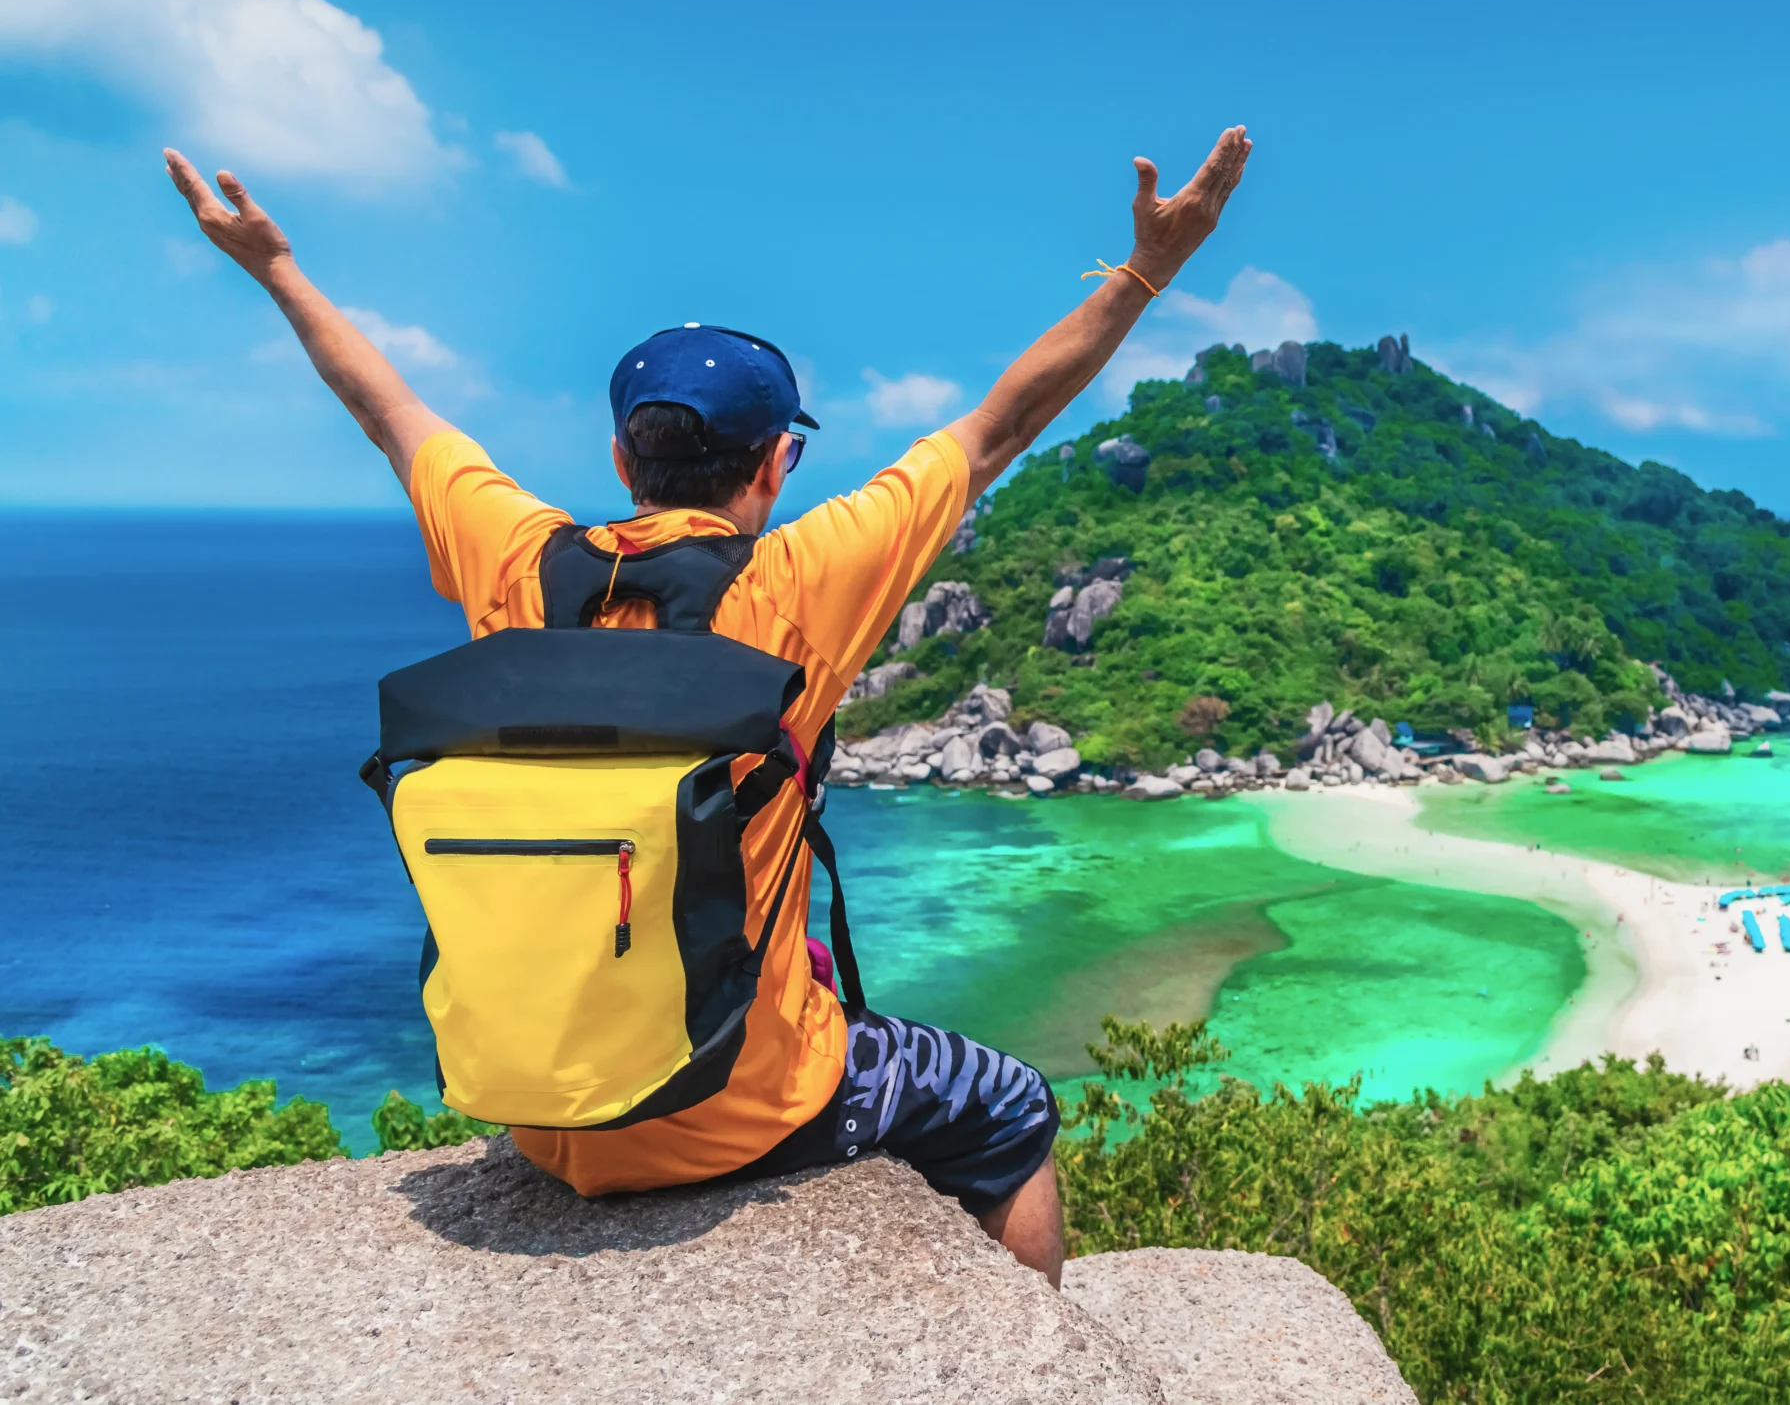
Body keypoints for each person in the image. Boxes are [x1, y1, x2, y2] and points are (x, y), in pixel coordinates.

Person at [162, 125, 1254, 1285]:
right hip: (735, 1114)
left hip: (541, 1113)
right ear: (776, 464)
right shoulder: (792, 587)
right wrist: (1144, 273)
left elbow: (390, 413)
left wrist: (276, 268)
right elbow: (997, 431)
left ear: (625, 458)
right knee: (1012, 1108)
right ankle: (1043, 1361)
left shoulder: (521, 566)